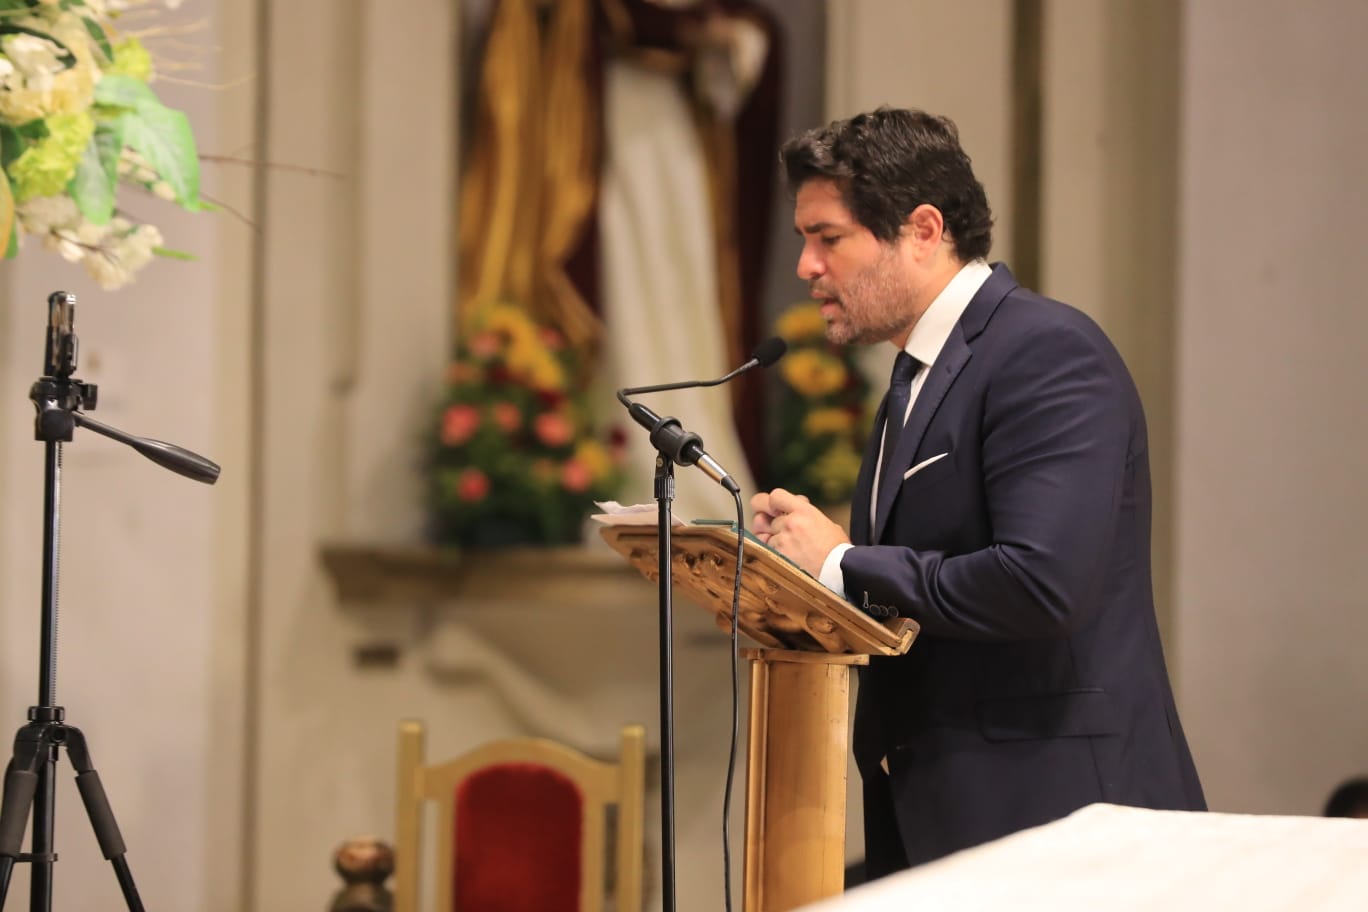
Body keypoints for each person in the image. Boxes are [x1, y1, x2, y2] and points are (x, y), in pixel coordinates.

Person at [750, 107, 1206, 878]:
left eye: (828, 238)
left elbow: (1041, 584)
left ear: (924, 230)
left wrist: (845, 563)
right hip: (947, 815)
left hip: (1063, 823)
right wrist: (798, 574)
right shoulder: (913, 376)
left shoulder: (1046, 353)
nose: (805, 266)